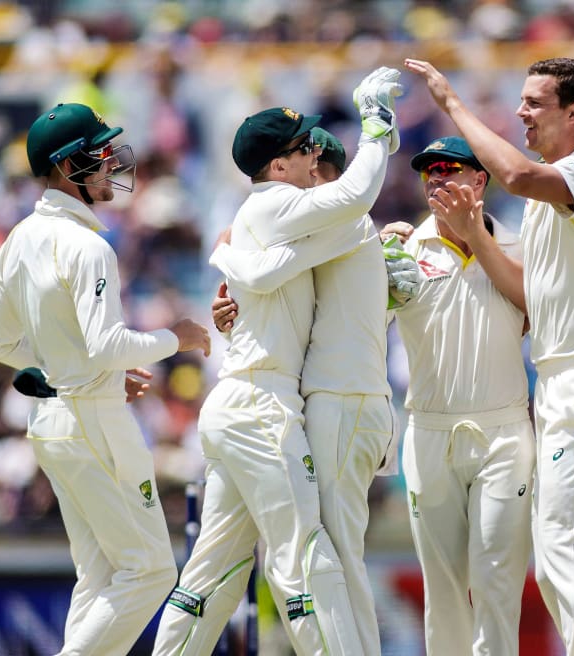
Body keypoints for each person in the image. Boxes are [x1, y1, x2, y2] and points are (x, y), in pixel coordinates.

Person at [154, 66, 402, 656]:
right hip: (263, 406)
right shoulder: (275, 204)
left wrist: (230, 262)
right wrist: (375, 127)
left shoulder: (268, 218)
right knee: (302, 556)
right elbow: (357, 195)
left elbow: (268, 271)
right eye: (303, 147)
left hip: (236, 406)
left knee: (212, 571)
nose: (313, 152)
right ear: (279, 165)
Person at [405, 57, 574, 655]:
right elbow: (540, 289)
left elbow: (512, 175)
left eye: (534, 103)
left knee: (565, 550)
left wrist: (450, 101)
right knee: (564, 551)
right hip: (565, 378)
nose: (520, 113)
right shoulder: (544, 201)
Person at [0, 102, 211, 656]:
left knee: (102, 573)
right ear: (68, 166)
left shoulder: (20, 238)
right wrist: (175, 339)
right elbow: (106, 344)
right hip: (93, 422)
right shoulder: (88, 246)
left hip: (56, 420)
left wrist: (75, 373)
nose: (111, 163)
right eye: (99, 153)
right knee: (152, 572)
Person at [377, 136, 535, 655]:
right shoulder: (401, 250)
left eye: (450, 168)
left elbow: (538, 311)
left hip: (504, 433)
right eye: (429, 171)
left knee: (496, 582)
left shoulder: (521, 246)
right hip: (431, 432)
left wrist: (477, 238)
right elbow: (347, 325)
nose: (437, 178)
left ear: (481, 179)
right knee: (443, 593)